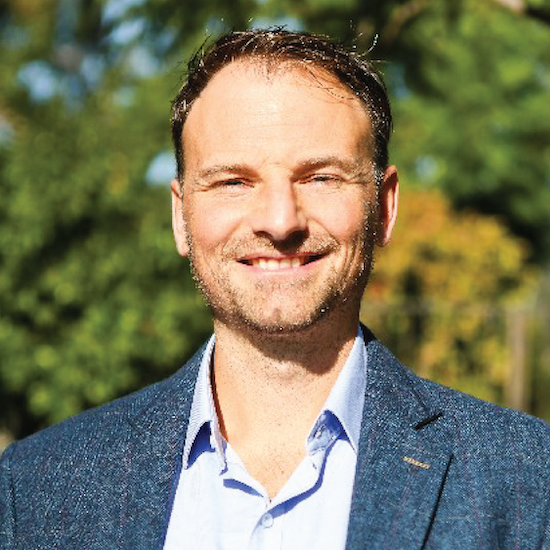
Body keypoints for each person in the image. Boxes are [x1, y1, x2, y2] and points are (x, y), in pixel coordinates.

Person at [1, 29, 549, 550]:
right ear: (180, 216)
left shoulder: (526, 484)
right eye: (233, 181)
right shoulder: (36, 490)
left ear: (383, 207)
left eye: (320, 177)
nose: (280, 221)